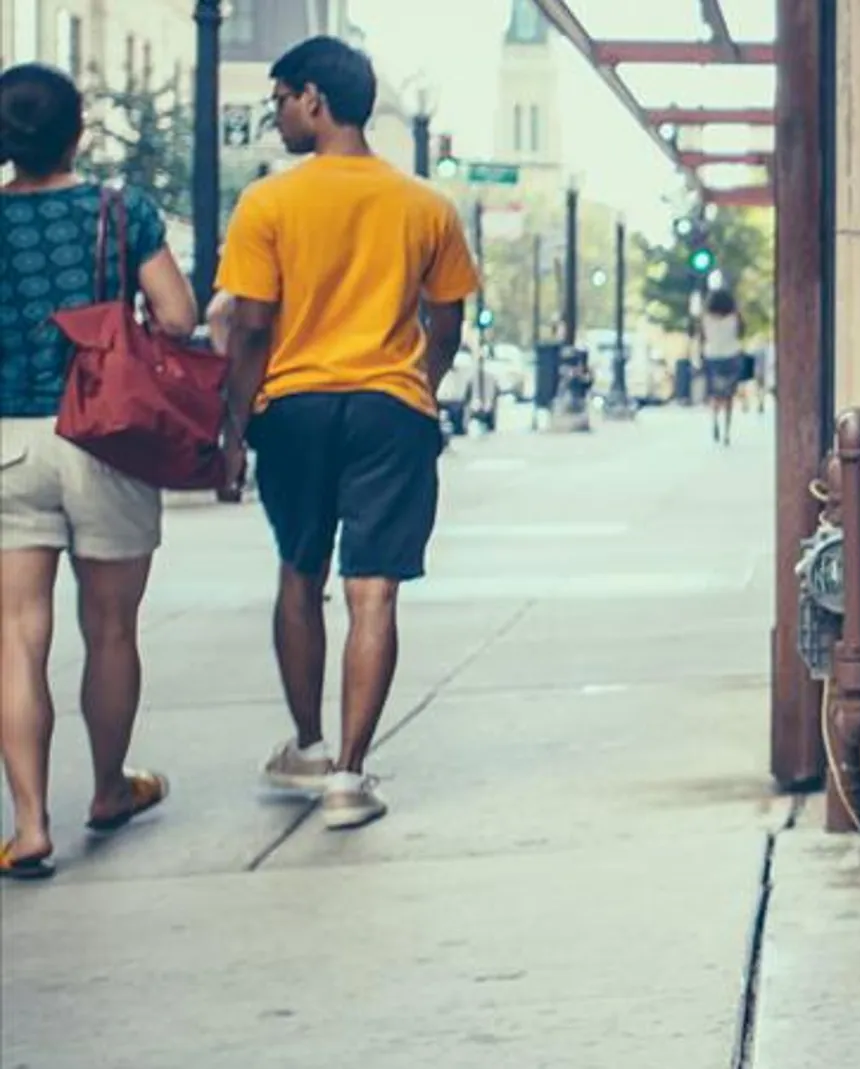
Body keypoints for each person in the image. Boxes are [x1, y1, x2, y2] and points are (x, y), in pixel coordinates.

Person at [216, 37, 478, 830]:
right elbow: (449, 317)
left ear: (314, 101)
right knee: (375, 590)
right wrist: (417, 389)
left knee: (301, 573)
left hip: (292, 409)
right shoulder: (424, 204)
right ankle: (350, 776)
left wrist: (234, 430)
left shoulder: (268, 203)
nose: (277, 116)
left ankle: (307, 745)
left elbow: (252, 329)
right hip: (390, 407)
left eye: (281, 100)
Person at [0, 64, 197, 878]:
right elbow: (180, 317)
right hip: (105, 432)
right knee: (111, 630)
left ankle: (31, 823)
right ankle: (110, 788)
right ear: (78, 129)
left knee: (17, 636)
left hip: (8, 439)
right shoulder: (121, 211)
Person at [697, 289, 744, 445]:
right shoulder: (734, 317)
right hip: (731, 355)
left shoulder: (705, 318)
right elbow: (741, 333)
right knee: (729, 395)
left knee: (715, 394)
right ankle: (726, 431)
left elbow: (701, 337)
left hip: (712, 355)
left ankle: (715, 419)